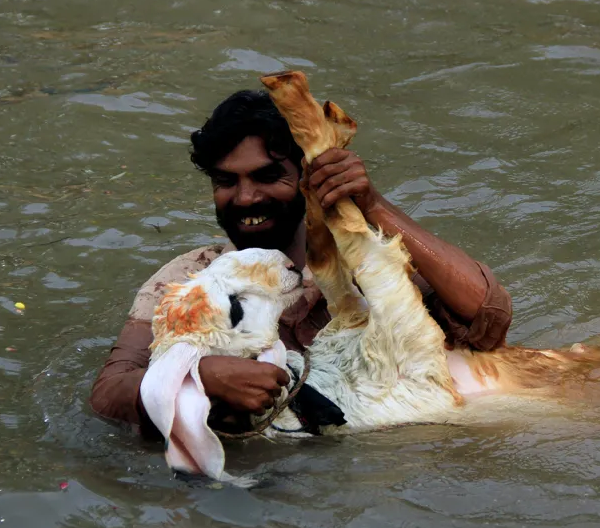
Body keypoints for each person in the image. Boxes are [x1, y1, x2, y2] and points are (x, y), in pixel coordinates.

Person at [89, 90, 513, 437]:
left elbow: (487, 318)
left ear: (306, 176)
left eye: (267, 176)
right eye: (226, 181)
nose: (245, 197)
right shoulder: (191, 280)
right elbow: (109, 393)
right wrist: (200, 378)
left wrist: (372, 205)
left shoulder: (364, 255)